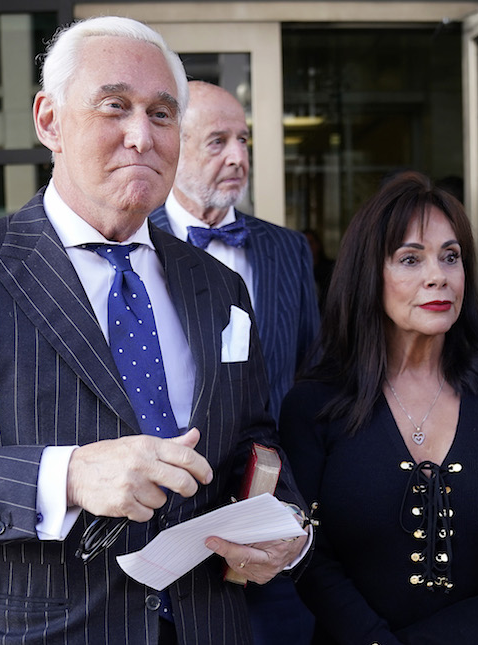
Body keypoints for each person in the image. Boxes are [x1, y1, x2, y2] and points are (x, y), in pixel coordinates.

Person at [0, 16, 309, 645]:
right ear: (48, 120)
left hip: (205, 624)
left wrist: (283, 523)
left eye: (163, 114)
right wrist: (63, 477)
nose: (141, 136)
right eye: (114, 107)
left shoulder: (220, 286)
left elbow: (254, 434)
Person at [281, 171, 478, 643]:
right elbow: (311, 558)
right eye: (410, 259)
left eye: (450, 257)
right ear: (368, 276)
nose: (438, 275)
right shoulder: (314, 407)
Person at [148, 80, 319, 643]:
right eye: (218, 141)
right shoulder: (133, 246)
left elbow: (311, 370)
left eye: (244, 140)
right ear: (174, 144)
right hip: (158, 520)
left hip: (268, 512)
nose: (238, 157)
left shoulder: (287, 248)